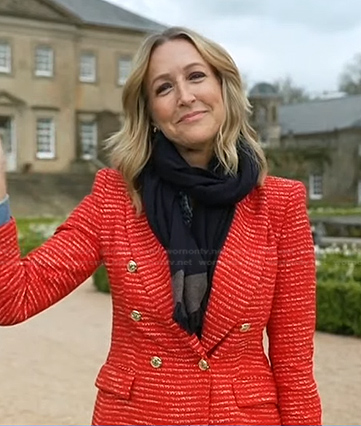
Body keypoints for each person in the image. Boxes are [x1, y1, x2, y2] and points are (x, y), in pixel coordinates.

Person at [0, 27, 322, 425]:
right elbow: (12, 298)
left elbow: (294, 366)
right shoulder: (115, 197)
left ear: (224, 87)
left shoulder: (279, 204)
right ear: (150, 111)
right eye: (164, 87)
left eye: (196, 76)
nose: (185, 96)